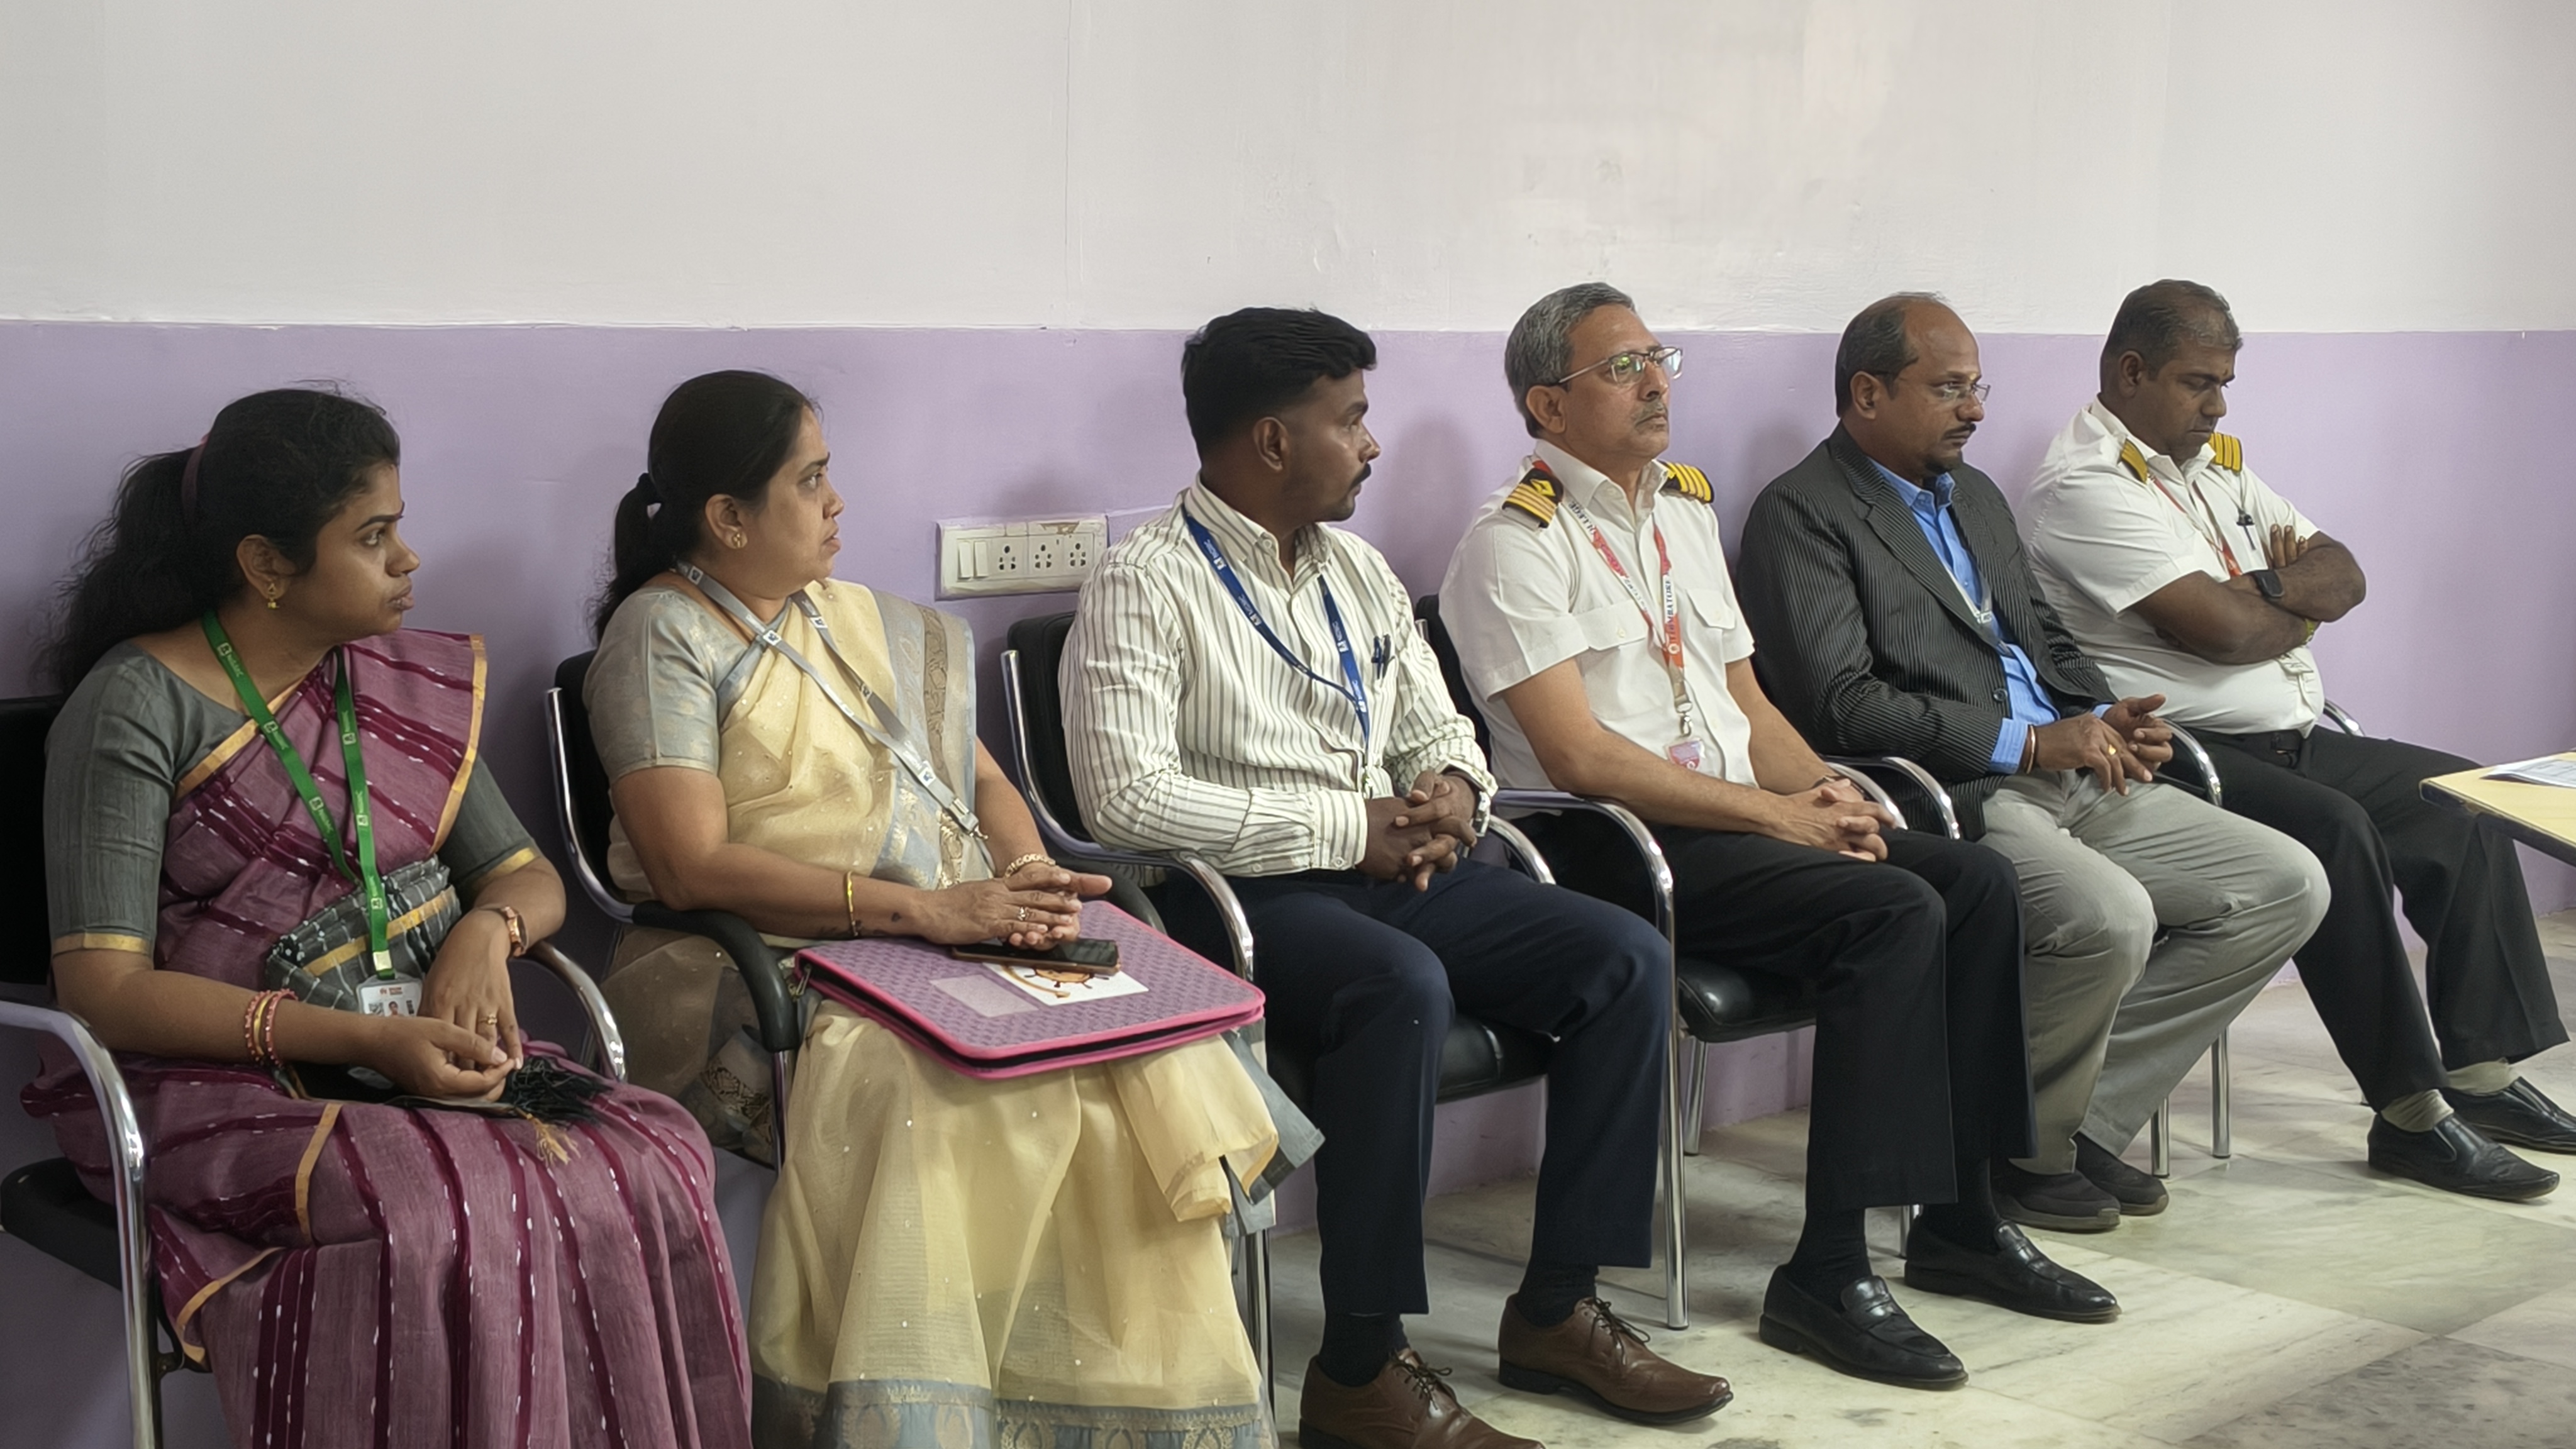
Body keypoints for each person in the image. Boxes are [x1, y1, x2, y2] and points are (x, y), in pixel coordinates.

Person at [26, 387, 751, 1447]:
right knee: (438, 1201)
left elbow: (527, 877)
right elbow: (106, 992)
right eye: (373, 536)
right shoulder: (135, 704)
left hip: (407, 1044)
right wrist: (363, 1041)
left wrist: (484, 936)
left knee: (652, 1152)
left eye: (398, 527)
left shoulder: (397, 687)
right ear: (267, 565)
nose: (409, 558)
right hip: (214, 1078)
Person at [1063, 308, 1729, 1449]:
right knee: (1399, 986)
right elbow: (1125, 802)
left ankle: (1558, 1310)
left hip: (1392, 868)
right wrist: (1344, 827)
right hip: (1237, 900)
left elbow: (1440, 729)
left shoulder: (1360, 572)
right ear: (1273, 441)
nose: (1371, 444)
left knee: (1625, 956)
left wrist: (1455, 795)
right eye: (1352, 420)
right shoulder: (1144, 581)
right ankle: (1361, 1370)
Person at [584, 370, 1288, 1449]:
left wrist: (1025, 883)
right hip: (761, 963)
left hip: (950, 929)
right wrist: (924, 914)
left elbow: (986, 784)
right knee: (954, 1091)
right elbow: (689, 868)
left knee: (1145, 1056)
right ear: (726, 517)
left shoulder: (855, 622)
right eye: (809, 480)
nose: (837, 502)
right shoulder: (662, 634)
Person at [1439, 282, 2111, 1391]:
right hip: (1621, 848)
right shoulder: (1514, 544)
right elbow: (1580, 758)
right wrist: (1779, 816)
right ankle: (1829, 1272)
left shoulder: (1683, 514)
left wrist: (1836, 796)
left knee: (1974, 881)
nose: (1655, 384)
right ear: (1548, 407)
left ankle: (1964, 1219)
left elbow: (1748, 709)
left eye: (1659, 359)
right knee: (1891, 912)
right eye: (1621, 368)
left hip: (1738, 823)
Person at [1738, 294, 2523, 1221]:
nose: (1976, 410)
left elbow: (2044, 639)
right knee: (2110, 915)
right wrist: (2032, 740)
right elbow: (1842, 705)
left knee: (2287, 885)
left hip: (2080, 765)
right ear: (1868, 393)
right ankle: (2024, 1152)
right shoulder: (1804, 513)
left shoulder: (1974, 497)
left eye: (1978, 387)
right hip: (1965, 789)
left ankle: (2063, 1125)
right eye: (1949, 389)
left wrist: (2098, 709)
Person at [2019, 279, 2575, 1174]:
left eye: (2224, 383)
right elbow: (2220, 632)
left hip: (2296, 737)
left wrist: (2270, 592)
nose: (2218, 406)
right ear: (2131, 372)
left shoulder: (2218, 466)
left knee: (2460, 802)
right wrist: (2287, 612)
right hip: (2185, 757)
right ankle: (2410, 1112)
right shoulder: (2085, 486)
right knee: (2338, 833)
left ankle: (2480, 1073)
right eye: (2199, 382)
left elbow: (2343, 572)